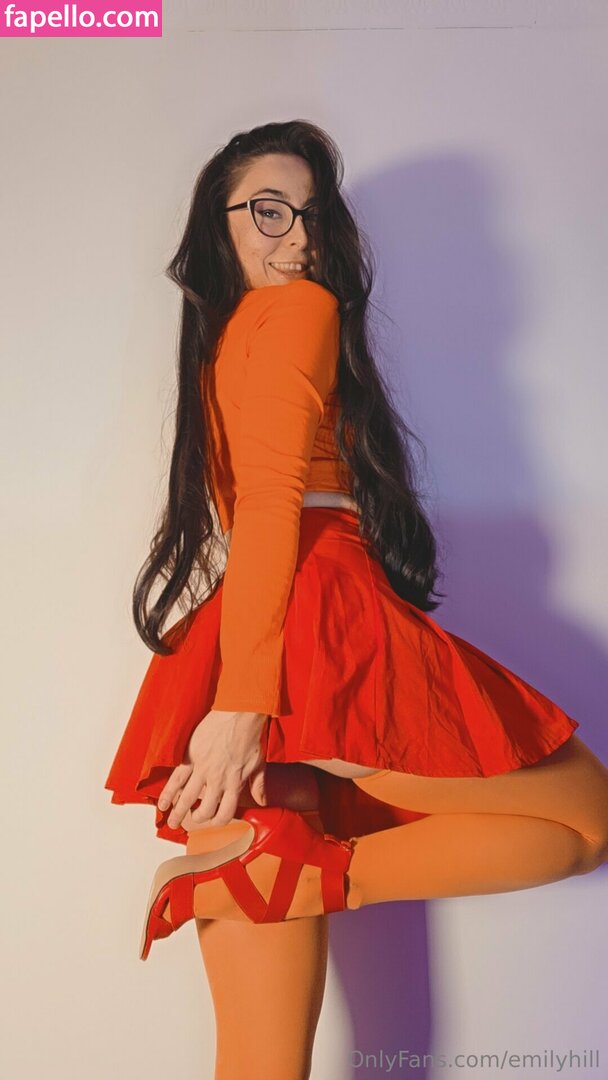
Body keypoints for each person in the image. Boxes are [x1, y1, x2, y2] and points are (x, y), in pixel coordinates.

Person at [105, 120, 608, 1080]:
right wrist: (248, 705)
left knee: (258, 1063)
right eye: (268, 211)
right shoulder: (298, 312)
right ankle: (315, 875)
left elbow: (253, 512)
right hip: (321, 623)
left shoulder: (224, 342)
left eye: (311, 215)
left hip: (251, 628)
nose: (297, 238)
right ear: (217, 222)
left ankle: (283, 873)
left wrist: (241, 691)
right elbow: (269, 506)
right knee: (588, 820)